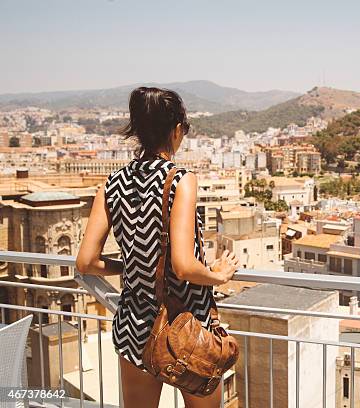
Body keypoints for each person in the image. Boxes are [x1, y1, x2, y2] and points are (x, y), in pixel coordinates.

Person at [76, 87, 240, 408]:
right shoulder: (180, 179)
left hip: (133, 325)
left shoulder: (111, 183)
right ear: (177, 130)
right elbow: (183, 265)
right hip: (186, 325)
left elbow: (86, 262)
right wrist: (219, 275)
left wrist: (130, 266)